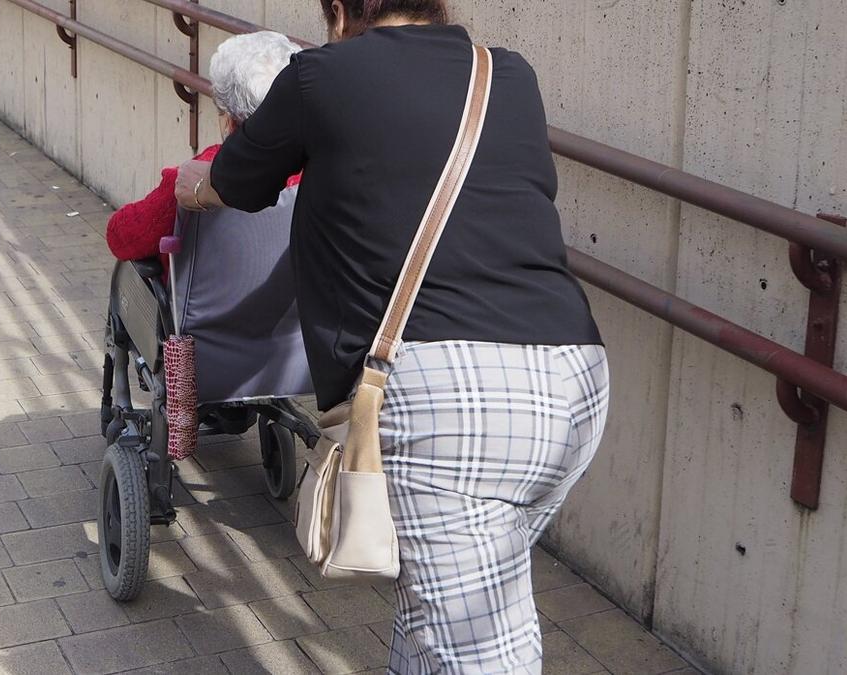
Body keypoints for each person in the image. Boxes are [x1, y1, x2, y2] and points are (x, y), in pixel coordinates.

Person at [174, 1, 610, 673]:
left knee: (476, 653)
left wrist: (191, 187)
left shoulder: (321, 74)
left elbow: (238, 181)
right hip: (571, 381)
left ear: (341, 11)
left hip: (449, 401)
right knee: (440, 613)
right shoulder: (507, 74)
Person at [104, 31, 301, 264]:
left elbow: (121, 237)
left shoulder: (198, 174)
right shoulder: (319, 163)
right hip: (297, 297)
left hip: (207, 299)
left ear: (229, 120)